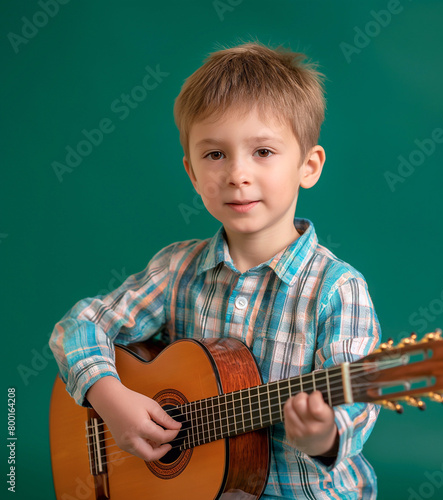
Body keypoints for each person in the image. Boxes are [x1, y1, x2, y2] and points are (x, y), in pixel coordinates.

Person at [49, 41, 381, 499]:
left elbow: (357, 401)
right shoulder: (175, 270)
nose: (236, 174)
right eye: (215, 155)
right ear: (191, 172)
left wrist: (326, 433)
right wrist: (111, 399)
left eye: (263, 152)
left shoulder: (336, 291)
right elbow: (76, 327)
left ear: (308, 165)